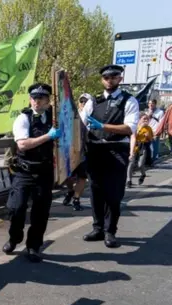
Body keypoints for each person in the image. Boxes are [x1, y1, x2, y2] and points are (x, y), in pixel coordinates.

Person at [81, 64, 138, 248]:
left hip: (116, 151)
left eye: (113, 77)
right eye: (106, 77)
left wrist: (103, 127)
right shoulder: (93, 102)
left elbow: (129, 128)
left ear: (120, 79)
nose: (109, 80)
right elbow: (81, 125)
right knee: (96, 193)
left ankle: (110, 230)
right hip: (95, 151)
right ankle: (98, 228)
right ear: (102, 80)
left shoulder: (129, 101)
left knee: (113, 195)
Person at [2, 83, 61, 263]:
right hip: (25, 170)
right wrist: (48, 136)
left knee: (41, 211)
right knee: (17, 208)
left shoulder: (55, 118)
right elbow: (22, 144)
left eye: (41, 98)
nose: (37, 102)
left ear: (48, 101)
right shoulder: (23, 118)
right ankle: (14, 237)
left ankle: (34, 246)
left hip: (44, 172)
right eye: (34, 98)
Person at [62, 93, 93, 211]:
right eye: (81, 101)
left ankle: (76, 198)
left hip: (84, 150)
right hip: (69, 149)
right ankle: (70, 190)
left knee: (82, 176)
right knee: (67, 175)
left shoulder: (92, 116)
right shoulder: (71, 114)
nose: (83, 104)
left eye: (86, 102)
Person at [127, 113, 153, 188]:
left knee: (140, 164)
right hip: (135, 146)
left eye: (147, 119)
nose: (146, 120)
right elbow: (133, 136)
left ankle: (143, 174)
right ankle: (129, 180)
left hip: (143, 146)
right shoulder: (136, 127)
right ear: (140, 119)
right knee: (131, 163)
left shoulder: (149, 128)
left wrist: (148, 137)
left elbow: (151, 139)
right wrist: (140, 129)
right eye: (144, 119)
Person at [145, 99, 164, 165]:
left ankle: (154, 160)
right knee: (147, 147)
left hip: (155, 131)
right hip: (147, 131)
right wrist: (148, 115)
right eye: (149, 103)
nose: (150, 105)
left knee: (154, 146)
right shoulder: (146, 112)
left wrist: (158, 132)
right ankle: (148, 161)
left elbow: (161, 122)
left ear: (155, 104)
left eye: (152, 103)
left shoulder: (160, 112)